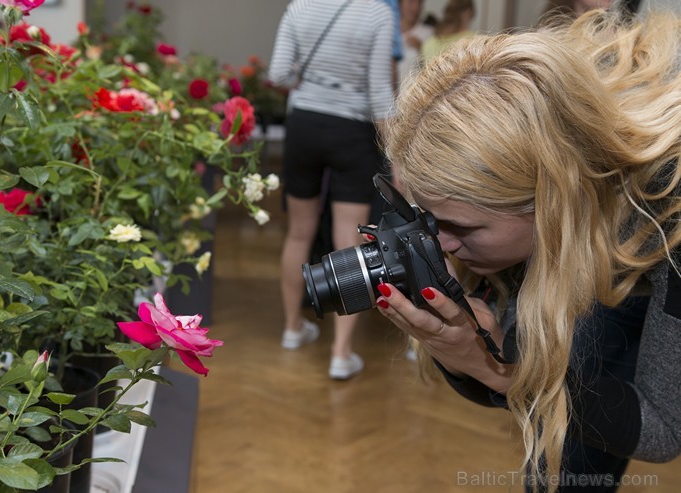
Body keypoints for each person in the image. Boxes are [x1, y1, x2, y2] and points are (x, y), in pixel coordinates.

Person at [378, 9, 679, 492]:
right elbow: (521, 355)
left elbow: (663, 427)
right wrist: (479, 356)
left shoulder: (672, 198)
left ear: (549, 201)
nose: (442, 244)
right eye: (432, 220)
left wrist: (496, 371)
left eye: (460, 226)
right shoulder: (538, 117)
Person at [268, 0, 395, 380]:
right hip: (351, 133)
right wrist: (398, 157)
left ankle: (292, 328)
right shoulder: (377, 13)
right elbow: (379, 93)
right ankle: (341, 353)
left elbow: (277, 74)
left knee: (298, 233)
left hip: (304, 125)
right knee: (349, 247)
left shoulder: (300, 7)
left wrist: (309, 82)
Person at [397, 0, 434, 87]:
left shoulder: (428, 33)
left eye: (419, 3)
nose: (415, 8)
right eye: (411, 2)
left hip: (413, 95)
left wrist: (422, 48)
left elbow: (434, 69)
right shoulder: (387, 31)